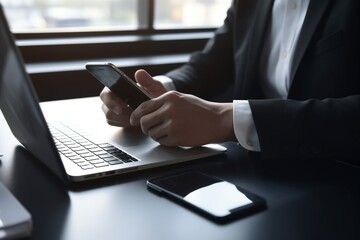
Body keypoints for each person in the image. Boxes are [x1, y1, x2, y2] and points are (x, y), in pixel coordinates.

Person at [100, 0, 359, 167]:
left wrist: (226, 119)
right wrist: (156, 93)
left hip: (338, 179)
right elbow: (210, 65)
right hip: (257, 170)